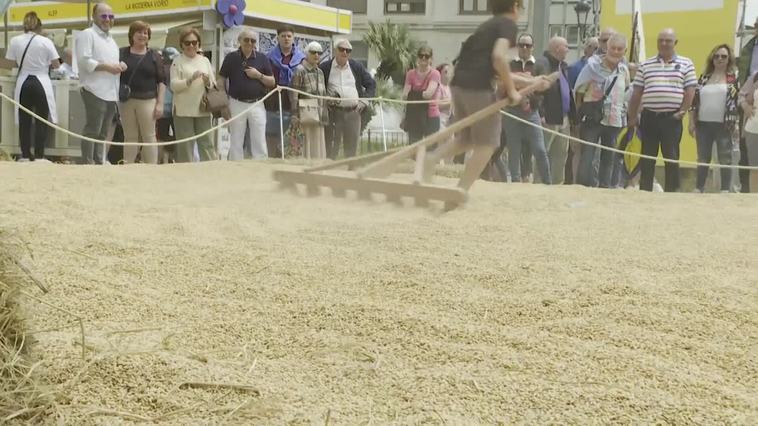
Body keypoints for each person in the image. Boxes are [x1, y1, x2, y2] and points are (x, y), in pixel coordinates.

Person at [422, 0, 551, 192]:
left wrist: (531, 82)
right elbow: (499, 59)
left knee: (466, 139)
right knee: (488, 143)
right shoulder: (507, 25)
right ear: (515, 6)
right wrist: (512, 90)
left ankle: (431, 159)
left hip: (459, 86)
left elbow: (493, 69)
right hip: (478, 88)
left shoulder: (486, 27)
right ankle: (460, 190)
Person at [628, 29, 697, 192]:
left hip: (671, 118)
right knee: (647, 157)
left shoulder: (686, 63)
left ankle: (672, 192)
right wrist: (632, 116)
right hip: (649, 117)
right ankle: (645, 190)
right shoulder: (645, 64)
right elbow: (637, 92)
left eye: (668, 40)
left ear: (675, 43)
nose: (664, 43)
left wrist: (682, 111)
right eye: (661, 40)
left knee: (671, 157)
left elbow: (690, 90)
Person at [574, 33, 630, 188]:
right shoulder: (592, 67)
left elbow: (625, 93)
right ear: (607, 48)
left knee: (608, 157)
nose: (616, 52)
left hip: (614, 119)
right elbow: (579, 91)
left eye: (620, 49)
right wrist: (579, 115)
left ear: (624, 51)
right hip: (593, 118)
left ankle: (605, 187)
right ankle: (582, 186)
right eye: (613, 48)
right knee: (588, 155)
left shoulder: (624, 70)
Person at [5, 12, 60, 162]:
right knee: (42, 119)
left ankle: (25, 154)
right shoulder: (45, 41)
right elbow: (56, 64)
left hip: (23, 82)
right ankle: (40, 155)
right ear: (39, 27)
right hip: (41, 82)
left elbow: (10, 64)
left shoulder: (15, 40)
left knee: (25, 121)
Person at [75, 3, 124, 164]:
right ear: (94, 17)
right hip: (93, 89)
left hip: (110, 91)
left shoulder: (111, 40)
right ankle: (88, 162)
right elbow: (84, 61)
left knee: (103, 132)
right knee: (93, 129)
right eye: (103, 16)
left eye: (110, 16)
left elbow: (109, 62)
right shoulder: (87, 34)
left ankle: (98, 160)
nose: (107, 20)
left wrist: (119, 65)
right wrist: (107, 67)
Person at [689, 44, 740, 193]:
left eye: (723, 56)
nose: (720, 59)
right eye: (717, 56)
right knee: (703, 158)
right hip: (703, 124)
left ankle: (725, 189)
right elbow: (694, 102)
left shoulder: (733, 79)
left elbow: (736, 104)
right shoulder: (704, 78)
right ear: (712, 58)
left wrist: (736, 124)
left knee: (725, 158)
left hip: (725, 125)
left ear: (729, 58)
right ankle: (699, 188)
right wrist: (691, 121)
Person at [502, 33, 551, 184]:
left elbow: (544, 86)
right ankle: (516, 181)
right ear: (517, 47)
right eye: (521, 45)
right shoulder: (509, 64)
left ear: (532, 47)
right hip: (512, 111)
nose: (524, 48)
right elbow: (505, 85)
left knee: (540, 149)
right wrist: (529, 82)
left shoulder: (540, 65)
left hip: (532, 112)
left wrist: (523, 86)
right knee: (514, 150)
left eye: (527, 45)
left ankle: (548, 182)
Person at [219, 29, 274, 161]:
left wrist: (258, 75)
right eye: (246, 40)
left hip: (257, 104)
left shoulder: (262, 58)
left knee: (259, 139)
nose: (250, 43)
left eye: (253, 40)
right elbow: (220, 80)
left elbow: (272, 82)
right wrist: (223, 104)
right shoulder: (231, 58)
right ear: (240, 41)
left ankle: (260, 167)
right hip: (236, 103)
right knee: (236, 139)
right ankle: (235, 169)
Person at [320, 39, 376, 159]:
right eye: (341, 49)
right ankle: (330, 171)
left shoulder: (356, 66)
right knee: (331, 147)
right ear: (336, 50)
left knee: (351, 148)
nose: (344, 52)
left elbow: (371, 84)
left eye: (348, 50)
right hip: (333, 113)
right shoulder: (325, 67)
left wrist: (364, 101)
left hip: (353, 112)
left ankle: (351, 172)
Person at [119, 21, 165, 164]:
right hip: (126, 101)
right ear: (132, 35)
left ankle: (151, 167)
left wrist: (160, 104)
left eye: (145, 33)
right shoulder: (121, 53)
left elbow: (162, 81)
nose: (142, 35)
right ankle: (128, 165)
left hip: (148, 100)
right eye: (139, 32)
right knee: (130, 136)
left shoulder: (154, 56)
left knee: (149, 136)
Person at [170, 27, 217, 162]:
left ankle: (210, 171)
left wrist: (208, 81)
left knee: (207, 143)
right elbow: (173, 85)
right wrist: (190, 80)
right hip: (183, 110)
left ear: (199, 44)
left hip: (202, 108)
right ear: (182, 44)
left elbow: (213, 84)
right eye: (187, 43)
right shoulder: (177, 61)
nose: (191, 45)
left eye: (194, 42)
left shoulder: (204, 61)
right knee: (185, 145)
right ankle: (186, 174)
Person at [536, 36, 574, 185]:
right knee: (543, 151)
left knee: (561, 153)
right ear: (557, 48)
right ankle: (539, 182)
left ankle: (558, 183)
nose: (568, 50)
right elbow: (536, 90)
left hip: (563, 117)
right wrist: (541, 113)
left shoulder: (563, 66)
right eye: (566, 46)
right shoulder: (543, 63)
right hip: (548, 117)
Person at [266, 25, 306, 158]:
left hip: (293, 104)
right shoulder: (269, 57)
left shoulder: (302, 59)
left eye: (289, 36)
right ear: (277, 38)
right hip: (273, 102)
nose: (286, 39)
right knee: (271, 136)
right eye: (283, 36)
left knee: (290, 138)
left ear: (293, 38)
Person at [290, 41, 328, 160]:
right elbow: (294, 94)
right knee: (305, 145)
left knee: (318, 145)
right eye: (313, 52)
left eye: (319, 53)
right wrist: (295, 114)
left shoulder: (320, 72)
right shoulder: (300, 70)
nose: (316, 55)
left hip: (319, 114)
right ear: (307, 53)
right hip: (305, 114)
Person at [402, 46, 441, 143]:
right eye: (421, 55)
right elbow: (405, 95)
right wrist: (419, 94)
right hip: (414, 115)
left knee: (431, 148)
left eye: (427, 56)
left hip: (431, 115)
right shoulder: (410, 74)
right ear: (417, 58)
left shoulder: (435, 74)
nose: (423, 58)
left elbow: (429, 94)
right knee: (413, 148)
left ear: (431, 59)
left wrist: (413, 94)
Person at [737, 16, 758, 192]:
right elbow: (743, 82)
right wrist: (745, 105)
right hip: (752, 105)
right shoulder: (747, 48)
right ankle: (746, 190)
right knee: (747, 153)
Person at [738, 71, 758, 191]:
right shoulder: (756, 76)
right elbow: (741, 95)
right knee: (755, 168)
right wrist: (746, 106)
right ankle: (754, 201)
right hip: (754, 128)